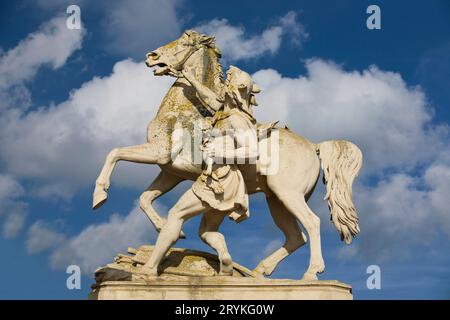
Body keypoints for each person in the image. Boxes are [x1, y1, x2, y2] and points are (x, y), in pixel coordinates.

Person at [141, 65, 261, 276]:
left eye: (227, 82)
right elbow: (209, 98)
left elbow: (252, 151)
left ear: (233, 89)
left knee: (175, 215)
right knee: (207, 231)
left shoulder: (236, 119)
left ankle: (150, 268)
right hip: (227, 181)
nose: (223, 85)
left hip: (218, 178)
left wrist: (219, 153)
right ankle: (224, 255)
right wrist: (190, 77)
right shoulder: (225, 113)